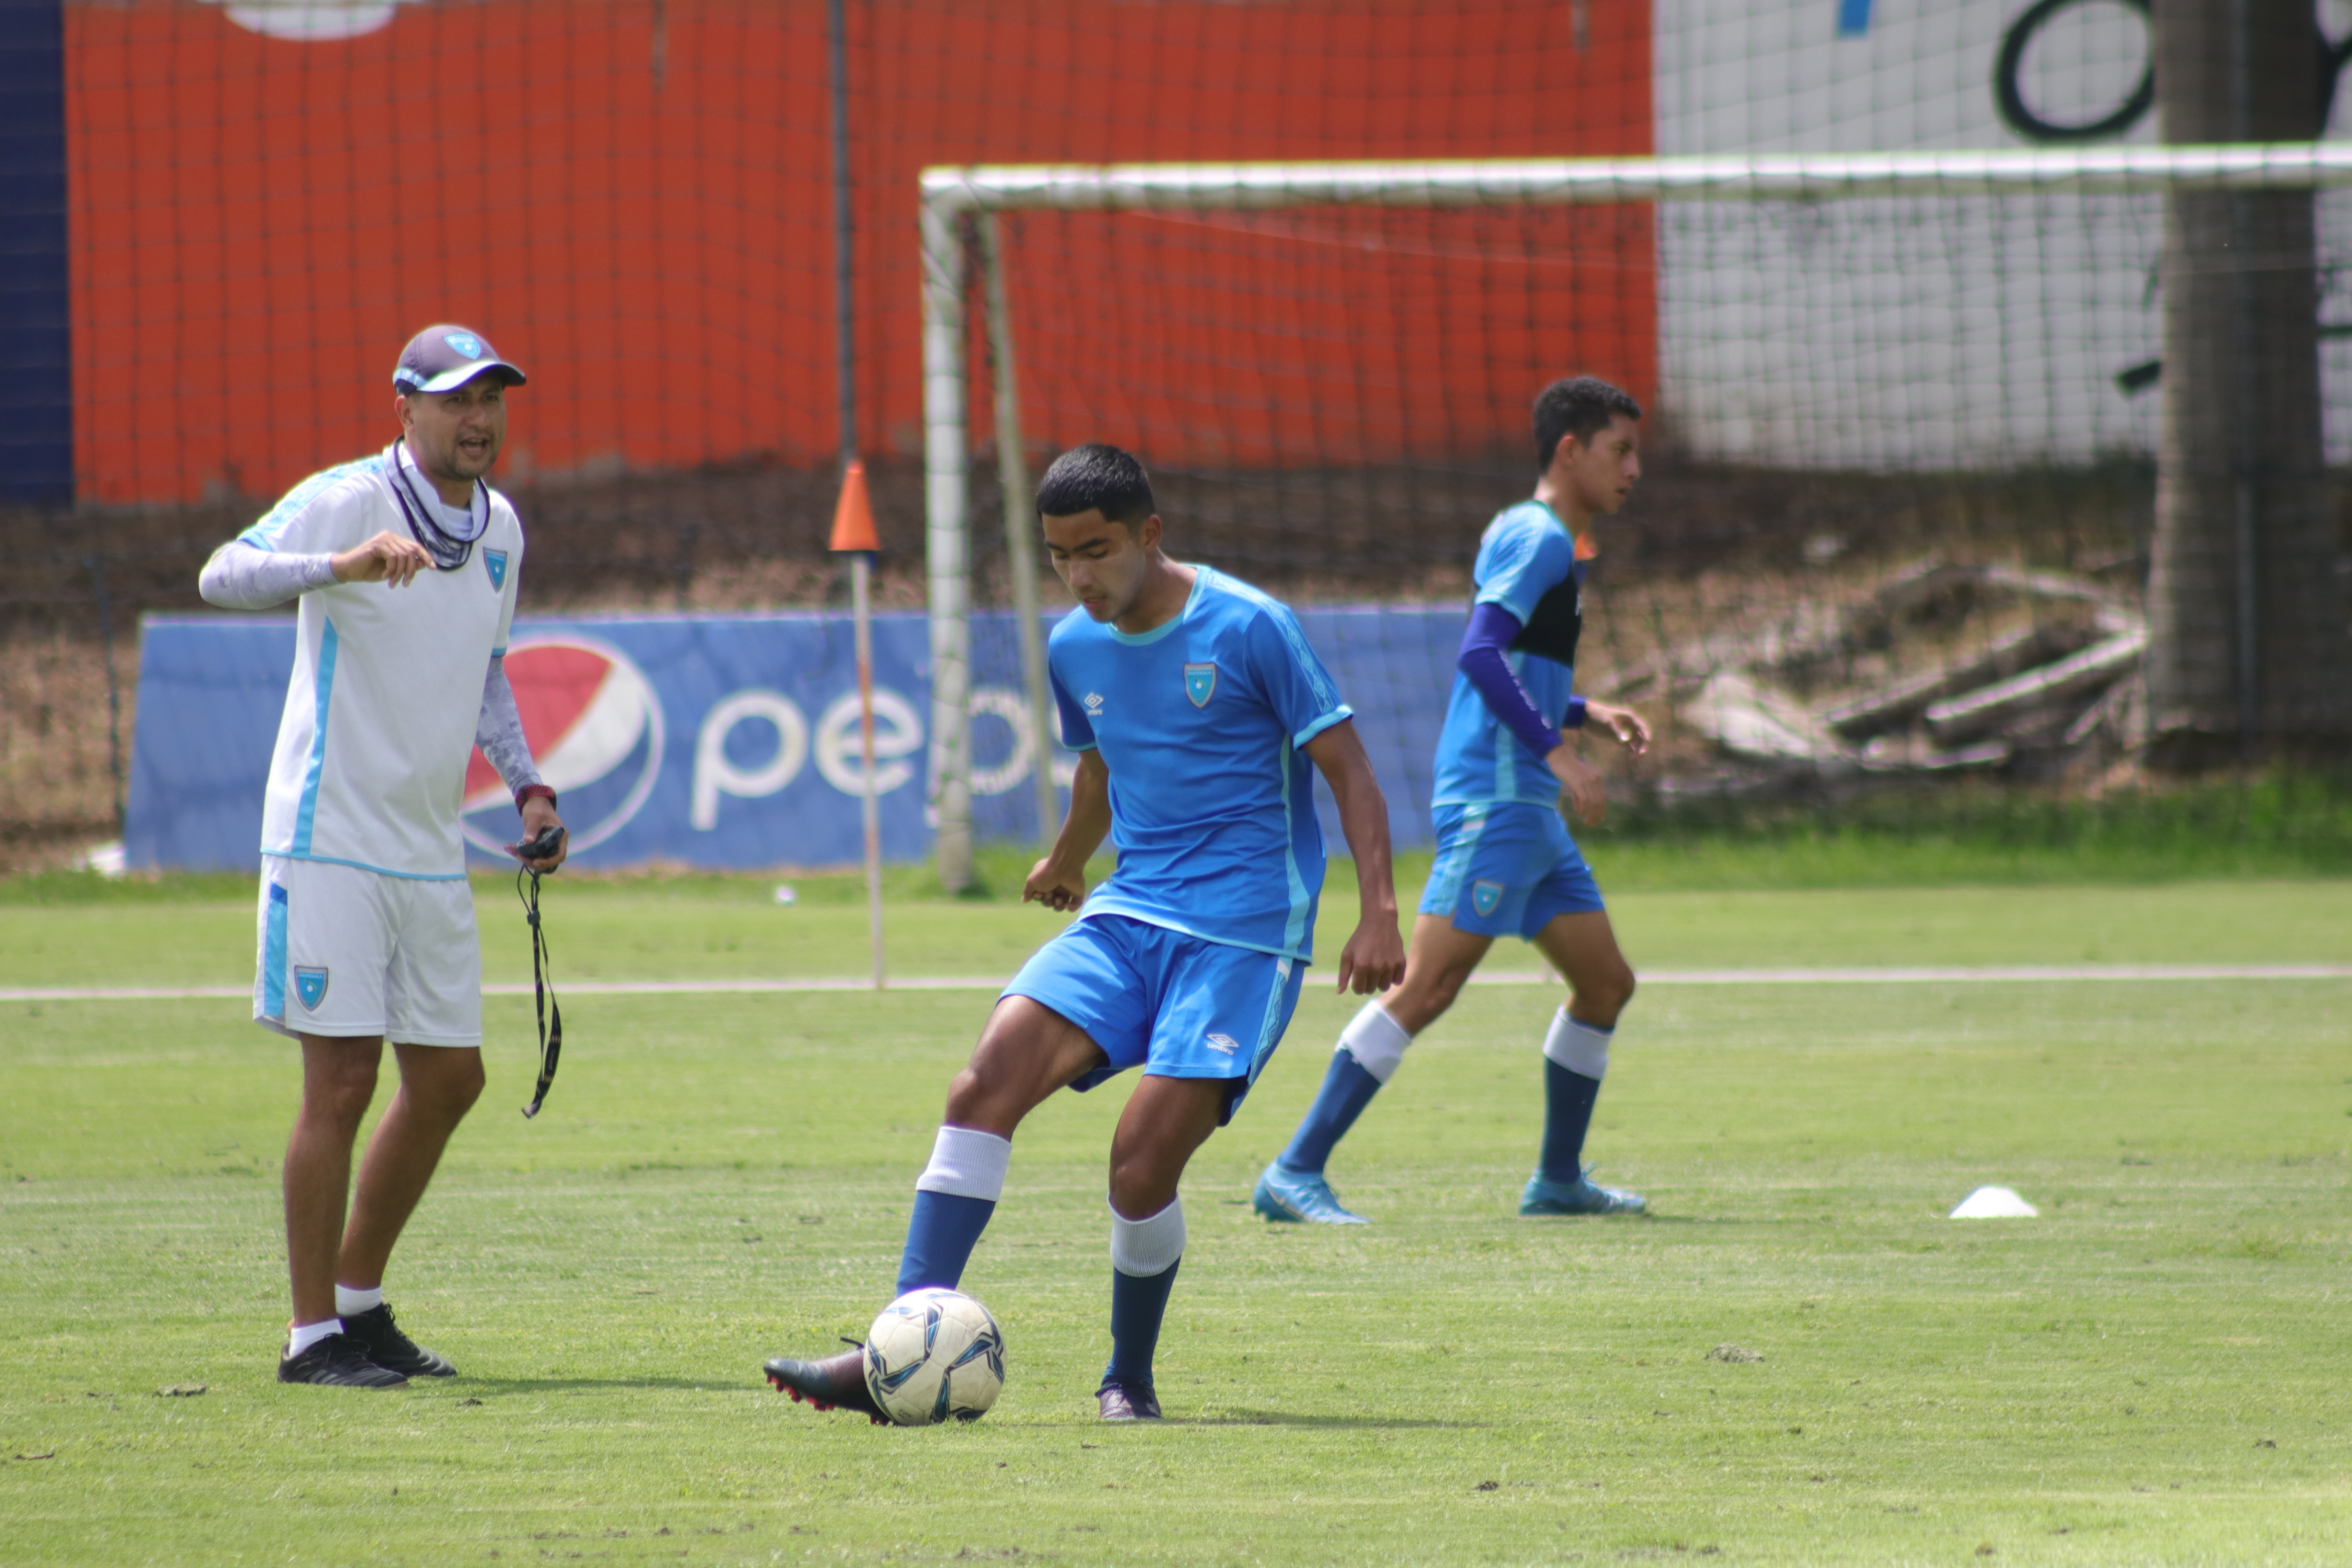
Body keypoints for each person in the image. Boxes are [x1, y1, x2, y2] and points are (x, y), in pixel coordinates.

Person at [762, 443, 1406, 1422]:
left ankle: (1128, 1378)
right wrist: (1067, 858)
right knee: (984, 1082)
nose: (1080, 576)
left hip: (1243, 935)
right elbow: (1101, 766)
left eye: (1097, 550)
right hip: (1129, 910)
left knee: (1141, 1157)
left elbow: (1351, 770)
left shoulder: (1252, 626)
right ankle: (895, 1346)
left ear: (1151, 534)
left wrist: (1379, 910)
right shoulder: (1074, 644)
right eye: (1061, 555)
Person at [197, 324, 568, 1388]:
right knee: (344, 1080)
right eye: (455, 399)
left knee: (452, 1079)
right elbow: (225, 574)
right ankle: (311, 1336)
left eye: (492, 397)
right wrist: (343, 564)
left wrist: (531, 784)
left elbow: (489, 670)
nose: (479, 418)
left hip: (427, 848)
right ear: (404, 406)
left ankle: (358, 1302)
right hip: (328, 840)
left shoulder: (500, 526)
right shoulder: (350, 497)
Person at [1253, 375, 1652, 1226]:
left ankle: (1557, 1180)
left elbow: (1512, 662)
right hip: (1498, 799)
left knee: (1605, 983)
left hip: (1527, 810)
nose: (1635, 468)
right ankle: (1294, 1168)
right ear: (1570, 450)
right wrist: (1560, 751)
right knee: (1425, 987)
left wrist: (1583, 711)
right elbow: (1479, 653)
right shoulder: (1541, 537)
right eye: (1621, 449)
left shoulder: (1540, 536)